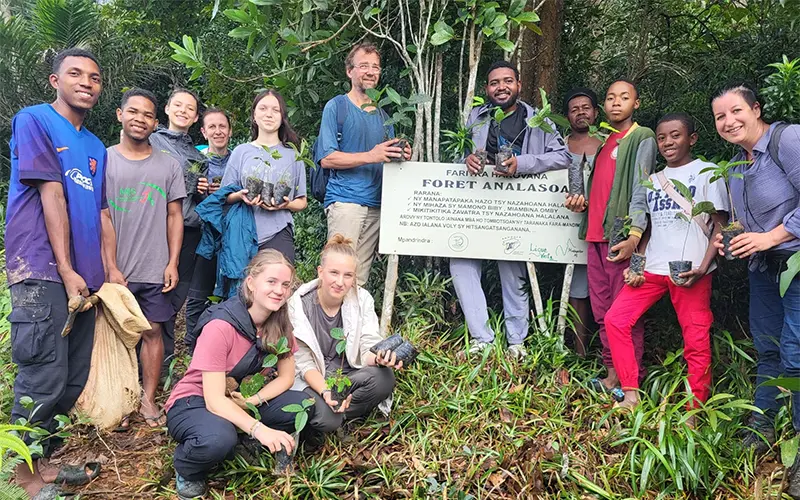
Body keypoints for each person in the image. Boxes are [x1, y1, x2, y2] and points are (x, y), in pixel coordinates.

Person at [5, 48, 124, 498]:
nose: (87, 82)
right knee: (42, 373)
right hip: (42, 269)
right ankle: (23, 479)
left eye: (95, 77)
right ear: (55, 80)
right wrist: (66, 267)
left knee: (72, 376)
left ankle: (46, 461)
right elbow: (51, 194)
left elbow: (103, 212)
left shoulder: (95, 146)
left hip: (86, 279)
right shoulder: (34, 120)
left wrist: (109, 269)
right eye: (75, 74)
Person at [710, 84, 800, 493]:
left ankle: (799, 448)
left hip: (795, 264)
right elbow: (747, 224)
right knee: (767, 347)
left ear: (756, 108)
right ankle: (761, 427)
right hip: (763, 269)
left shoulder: (788, 139)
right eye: (720, 117)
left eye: (736, 111)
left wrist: (771, 237)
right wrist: (728, 238)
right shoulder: (736, 165)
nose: (729, 122)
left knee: (795, 353)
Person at [165, 249, 313, 499]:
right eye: (271, 282)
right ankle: (187, 467)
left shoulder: (280, 324)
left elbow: (287, 378)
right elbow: (214, 399)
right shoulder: (221, 326)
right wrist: (260, 429)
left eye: (285, 285)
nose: (279, 290)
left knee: (304, 404)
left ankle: (243, 438)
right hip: (196, 401)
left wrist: (252, 402)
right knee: (219, 438)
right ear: (251, 283)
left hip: (243, 397)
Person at [605, 113, 728, 409]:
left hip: (692, 271)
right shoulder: (654, 180)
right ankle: (630, 394)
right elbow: (649, 229)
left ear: (692, 138)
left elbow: (719, 226)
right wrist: (636, 267)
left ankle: (694, 409)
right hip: (652, 268)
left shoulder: (708, 172)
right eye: (662, 138)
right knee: (616, 320)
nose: (667, 142)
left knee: (695, 339)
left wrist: (704, 267)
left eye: (675, 135)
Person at [453, 61, 571, 359]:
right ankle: (482, 338)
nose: (501, 87)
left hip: (516, 208)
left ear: (519, 85)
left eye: (508, 81)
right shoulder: (476, 117)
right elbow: (459, 155)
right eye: (495, 83)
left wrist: (524, 164)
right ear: (487, 89)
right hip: (476, 204)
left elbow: (562, 156)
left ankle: (517, 341)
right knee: (461, 263)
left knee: (513, 267)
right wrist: (466, 159)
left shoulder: (537, 119)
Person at [565, 79, 656, 395]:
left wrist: (635, 233)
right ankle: (611, 373)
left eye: (625, 97)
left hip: (620, 238)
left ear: (636, 103)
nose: (617, 102)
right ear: (604, 106)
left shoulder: (640, 137)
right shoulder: (604, 142)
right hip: (594, 237)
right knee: (603, 311)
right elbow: (603, 192)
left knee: (624, 313)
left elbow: (642, 188)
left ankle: (631, 378)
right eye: (611, 97)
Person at [105, 88, 186, 428]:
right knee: (116, 336)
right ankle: (119, 403)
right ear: (120, 115)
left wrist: (172, 262)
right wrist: (109, 266)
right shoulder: (103, 159)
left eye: (147, 115)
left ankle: (148, 399)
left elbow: (174, 216)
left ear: (156, 122)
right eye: (133, 112)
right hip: (113, 269)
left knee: (153, 332)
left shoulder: (169, 165)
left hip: (154, 266)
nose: (140, 119)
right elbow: (101, 215)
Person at [315, 41, 411, 286]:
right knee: (336, 277)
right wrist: (372, 155)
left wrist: (402, 154)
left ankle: (348, 326)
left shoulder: (384, 116)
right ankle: (327, 326)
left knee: (358, 280)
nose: (370, 71)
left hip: (375, 207)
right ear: (350, 71)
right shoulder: (337, 107)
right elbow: (327, 158)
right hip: (345, 203)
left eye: (375, 67)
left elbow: (386, 157)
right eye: (364, 66)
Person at [289, 234, 401, 439]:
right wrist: (325, 392)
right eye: (333, 273)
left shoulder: (362, 299)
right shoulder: (298, 306)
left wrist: (379, 357)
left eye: (348, 275)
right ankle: (330, 416)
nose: (340, 282)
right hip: (315, 382)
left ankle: (336, 412)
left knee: (384, 378)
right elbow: (303, 364)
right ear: (320, 272)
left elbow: (368, 343)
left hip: (347, 379)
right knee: (325, 418)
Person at [149, 88, 207, 372]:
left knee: (175, 297)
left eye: (190, 108)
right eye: (178, 105)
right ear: (168, 109)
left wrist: (207, 190)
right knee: (154, 293)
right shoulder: (151, 140)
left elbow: (199, 196)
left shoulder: (198, 155)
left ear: (196, 118)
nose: (183, 111)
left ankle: (165, 365)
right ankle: (145, 361)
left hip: (190, 230)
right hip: (158, 228)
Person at [221, 90, 307, 263]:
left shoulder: (293, 155)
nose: (269, 114)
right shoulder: (241, 152)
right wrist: (241, 196)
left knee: (279, 285)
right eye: (263, 108)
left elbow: (302, 201)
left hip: (279, 231)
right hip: (242, 232)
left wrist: (286, 204)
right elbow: (224, 196)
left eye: (275, 110)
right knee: (244, 287)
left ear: (282, 117)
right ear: (254, 115)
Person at [185, 107, 233, 340]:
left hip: (232, 234)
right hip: (203, 235)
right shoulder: (195, 161)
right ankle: (194, 348)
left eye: (222, 126)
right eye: (212, 127)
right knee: (198, 293)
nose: (218, 131)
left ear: (230, 130)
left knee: (231, 293)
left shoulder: (239, 159)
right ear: (203, 132)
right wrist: (198, 189)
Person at [563, 87, 602, 356]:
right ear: (567, 116)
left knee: (602, 287)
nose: (580, 112)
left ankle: (608, 351)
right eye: (574, 109)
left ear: (596, 112)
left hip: (601, 225)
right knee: (576, 288)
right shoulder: (560, 145)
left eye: (585, 107)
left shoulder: (608, 143)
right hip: (565, 226)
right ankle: (580, 351)